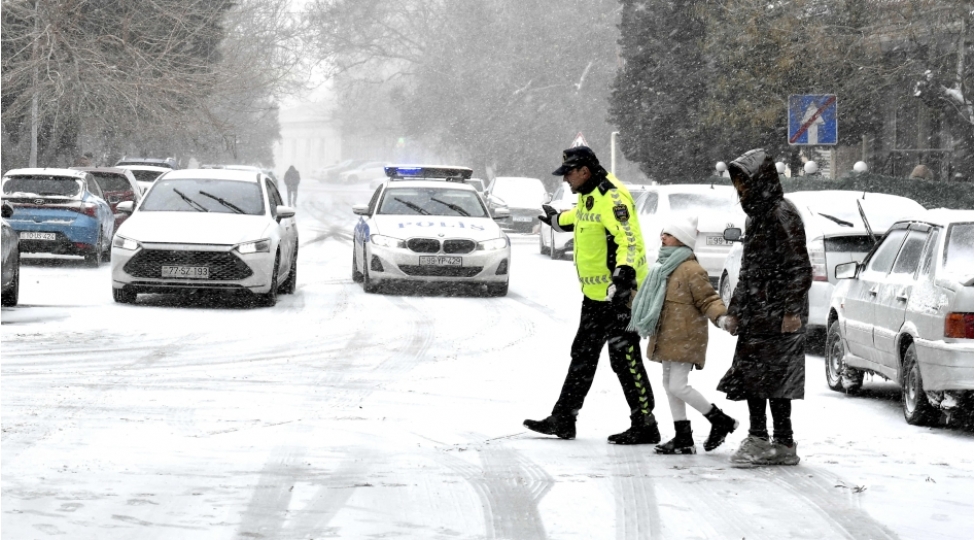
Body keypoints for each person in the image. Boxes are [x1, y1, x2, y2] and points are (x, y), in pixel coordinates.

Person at [523, 146, 660, 445]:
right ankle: (564, 418)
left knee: (624, 356)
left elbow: (630, 239)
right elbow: (585, 217)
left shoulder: (612, 197)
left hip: (619, 294)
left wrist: (623, 276)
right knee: (583, 355)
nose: (566, 181)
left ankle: (645, 422)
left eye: (568, 174)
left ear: (583, 170)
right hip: (596, 296)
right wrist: (558, 220)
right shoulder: (589, 194)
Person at [716, 148, 812, 467]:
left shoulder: (781, 213)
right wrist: (736, 310)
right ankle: (770, 439)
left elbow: (798, 266)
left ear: (760, 180)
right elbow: (748, 269)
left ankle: (772, 441)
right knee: (753, 375)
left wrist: (791, 312)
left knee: (774, 378)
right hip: (758, 310)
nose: (739, 188)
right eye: (737, 182)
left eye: (744, 181)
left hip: (777, 310)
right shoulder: (755, 215)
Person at [628, 215, 739, 455]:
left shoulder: (691, 269)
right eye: (663, 233)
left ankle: (720, 420)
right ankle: (683, 437)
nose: (663, 237)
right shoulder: (661, 268)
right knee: (669, 386)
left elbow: (708, 298)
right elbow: (650, 299)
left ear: (682, 240)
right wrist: (626, 297)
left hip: (685, 336)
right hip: (667, 336)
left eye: (668, 234)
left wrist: (721, 317)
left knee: (678, 386)